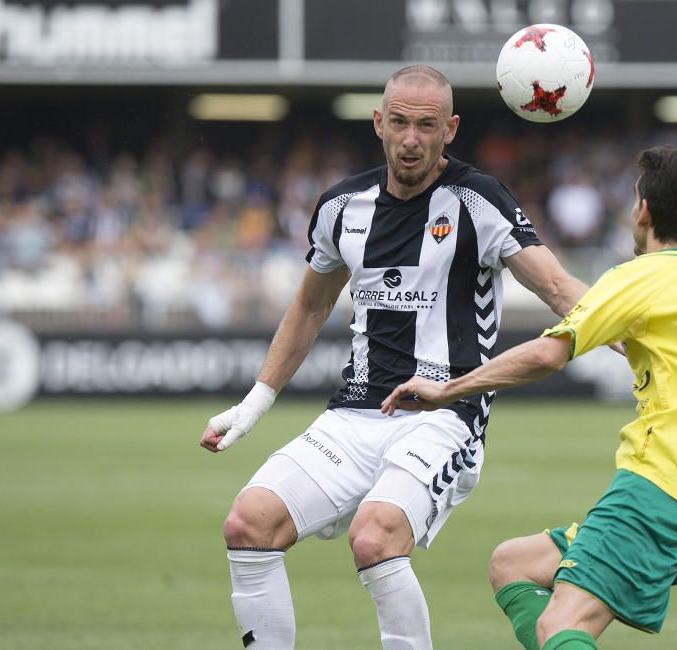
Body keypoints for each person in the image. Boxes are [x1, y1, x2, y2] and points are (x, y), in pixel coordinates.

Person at [199, 64, 592, 650]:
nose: (412, 138)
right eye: (400, 123)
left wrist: (636, 326)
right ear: (379, 123)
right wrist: (255, 403)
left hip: (445, 416)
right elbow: (308, 308)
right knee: (248, 524)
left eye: (427, 126)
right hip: (355, 413)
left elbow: (559, 287)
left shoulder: (477, 200)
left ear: (450, 129)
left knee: (375, 537)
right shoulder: (340, 207)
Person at [383, 146, 677, 650]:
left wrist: (447, 390)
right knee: (512, 565)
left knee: (560, 626)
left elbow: (548, 355)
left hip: (662, 491)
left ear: (643, 210)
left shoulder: (645, 275)